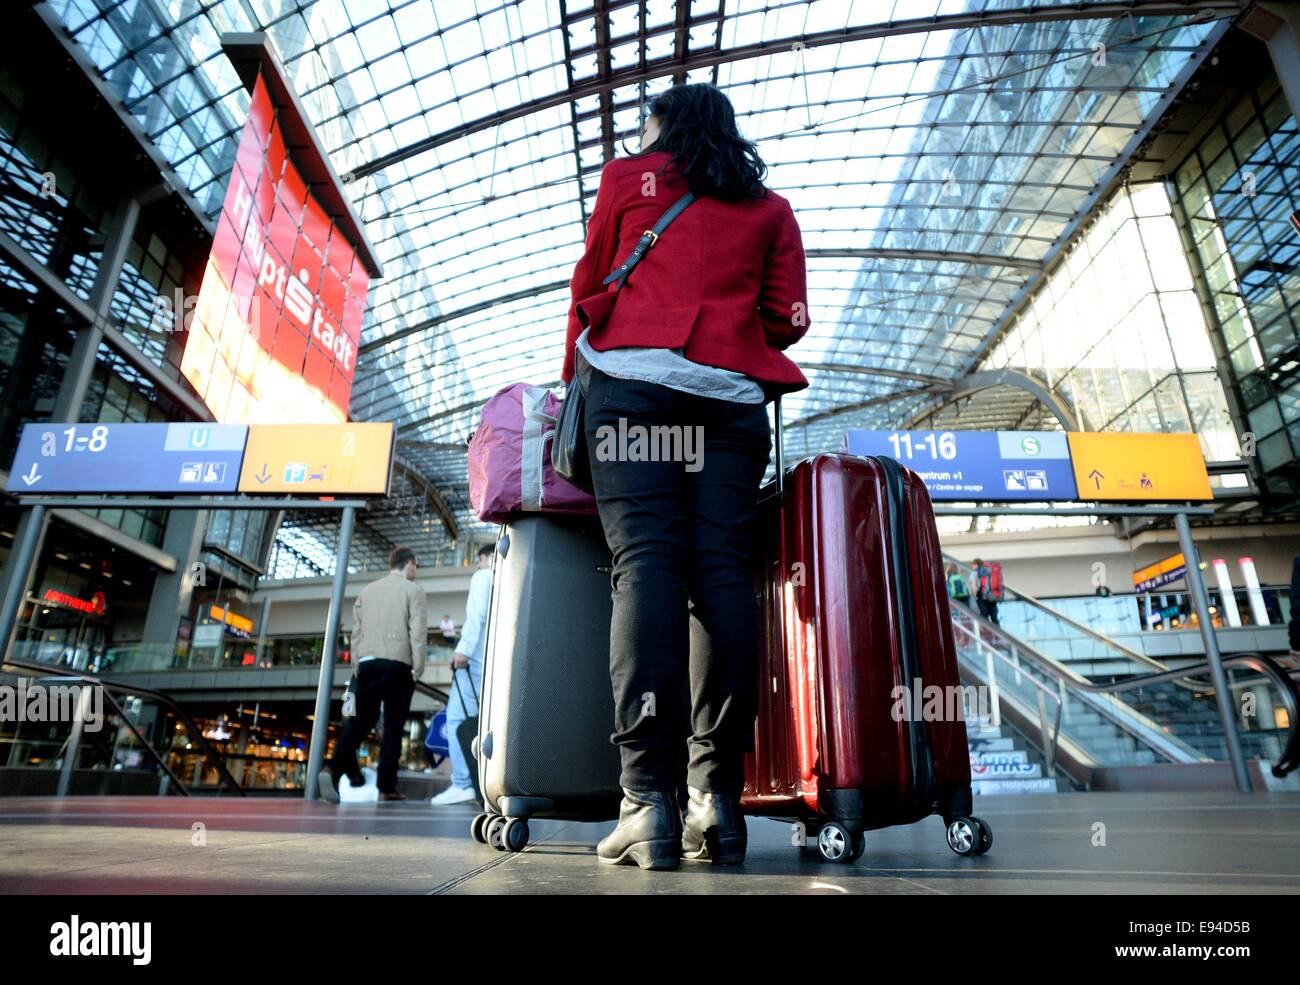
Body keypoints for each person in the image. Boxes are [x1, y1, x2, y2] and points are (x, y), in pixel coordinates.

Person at [563, 83, 809, 869]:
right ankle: (718, 801)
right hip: (729, 404)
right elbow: (789, 318)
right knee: (725, 581)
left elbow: (587, 289)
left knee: (647, 571)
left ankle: (647, 802)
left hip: (633, 395)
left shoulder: (626, 181)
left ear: (663, 126)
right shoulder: (770, 210)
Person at [318, 546, 427, 804]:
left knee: (360, 722)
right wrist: (418, 667)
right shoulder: (414, 591)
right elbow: (417, 632)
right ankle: (386, 787)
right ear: (409, 564)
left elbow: (355, 633)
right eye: (416, 566)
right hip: (398, 664)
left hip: (367, 664)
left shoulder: (367, 591)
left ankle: (331, 769)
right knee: (393, 726)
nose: (416, 570)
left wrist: (358, 662)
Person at [430, 543, 493, 806]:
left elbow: (476, 616)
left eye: (479, 560)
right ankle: (481, 782)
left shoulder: (483, 576)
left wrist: (463, 650)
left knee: (456, 717)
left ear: (486, 557)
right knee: (485, 721)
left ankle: (463, 782)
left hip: (475, 661)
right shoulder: (511, 578)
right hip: (495, 662)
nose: (477, 565)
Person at [973, 557, 1000, 625]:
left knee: (984, 616)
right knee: (994, 617)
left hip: (983, 596)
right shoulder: (990, 569)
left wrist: (975, 594)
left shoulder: (979, 571)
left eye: (973, 565)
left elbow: (977, 585)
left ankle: (986, 631)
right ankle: (998, 632)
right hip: (993, 594)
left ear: (976, 564)